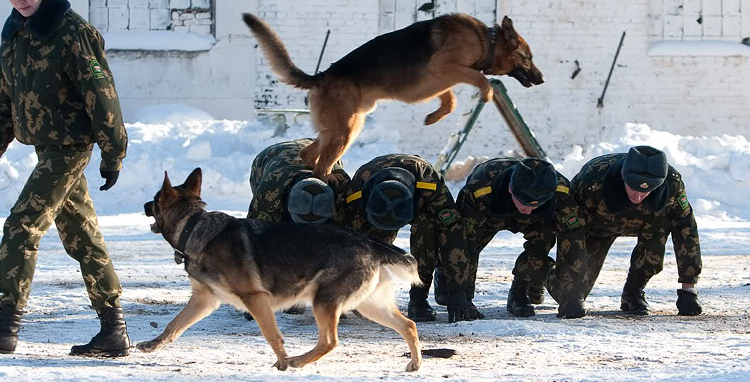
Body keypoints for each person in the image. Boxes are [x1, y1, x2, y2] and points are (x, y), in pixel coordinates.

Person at [0, 0, 131, 357]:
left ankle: (6, 326)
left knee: (21, 227)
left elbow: (102, 96)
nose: (21, 0)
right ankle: (113, 330)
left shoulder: (73, 31)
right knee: (82, 236)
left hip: (69, 149)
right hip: (45, 149)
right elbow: (2, 98)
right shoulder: (15, 32)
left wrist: (113, 151)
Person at [547, 145, 703, 316]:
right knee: (569, 294)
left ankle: (633, 292)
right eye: (633, 187)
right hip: (597, 227)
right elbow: (571, 231)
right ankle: (544, 270)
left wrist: (688, 288)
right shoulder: (592, 180)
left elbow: (686, 229)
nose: (638, 197)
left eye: (646, 191)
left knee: (661, 225)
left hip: (647, 224)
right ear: (623, 176)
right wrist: (571, 294)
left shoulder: (672, 185)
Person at [342, 154, 474, 323]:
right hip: (373, 212)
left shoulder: (430, 185)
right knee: (367, 248)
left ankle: (418, 298)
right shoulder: (357, 191)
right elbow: (347, 246)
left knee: (427, 229)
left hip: (420, 203)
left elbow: (453, 235)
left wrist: (457, 291)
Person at [452, 157, 588, 318]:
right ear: (510, 188)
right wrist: (460, 295)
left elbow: (573, 240)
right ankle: (457, 289)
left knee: (545, 237)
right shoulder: (481, 188)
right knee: (445, 295)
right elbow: (463, 244)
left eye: (536, 204)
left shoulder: (561, 191)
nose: (528, 210)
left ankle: (520, 291)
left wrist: (573, 294)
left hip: (537, 222)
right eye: (524, 202)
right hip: (489, 215)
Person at [247, 138, 350, 315]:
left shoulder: (341, 188)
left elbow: (349, 241)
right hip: (269, 160)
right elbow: (252, 244)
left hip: (317, 148)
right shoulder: (269, 194)